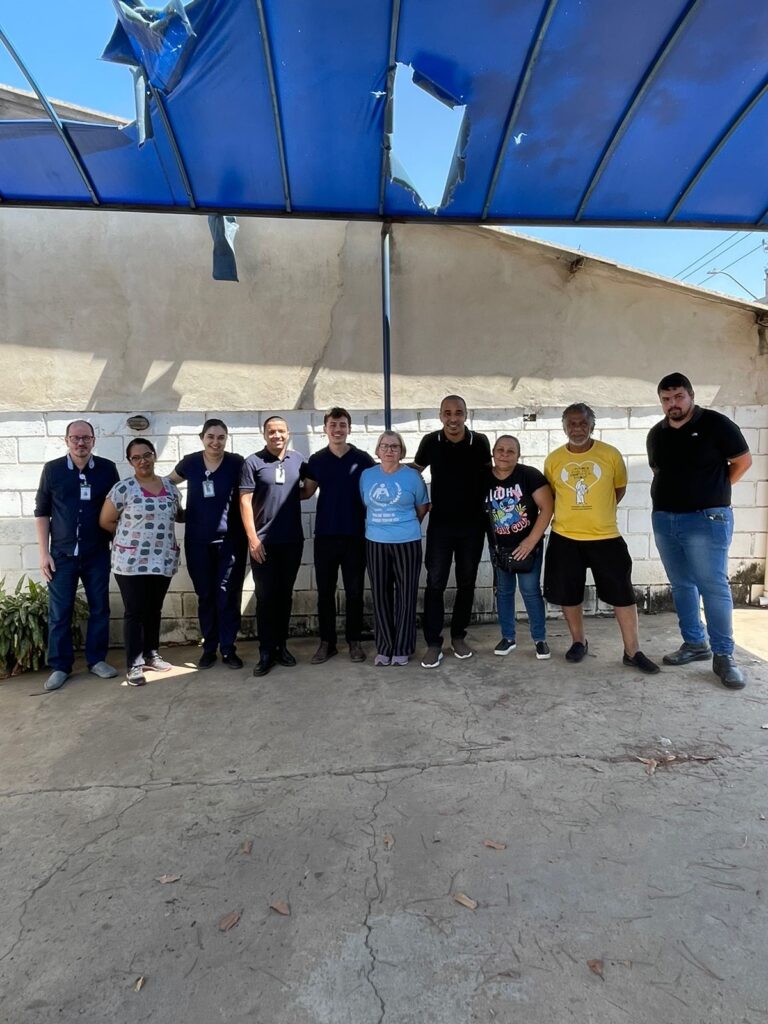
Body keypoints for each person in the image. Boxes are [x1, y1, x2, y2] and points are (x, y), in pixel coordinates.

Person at [647, 372, 753, 689]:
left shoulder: (717, 425)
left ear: (691, 396)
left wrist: (714, 492)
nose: (673, 404)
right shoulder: (656, 434)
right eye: (666, 399)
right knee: (681, 584)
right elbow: (659, 471)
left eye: (678, 396)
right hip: (665, 519)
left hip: (706, 519)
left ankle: (724, 656)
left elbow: (743, 462)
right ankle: (695, 643)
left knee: (713, 586)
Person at [543, 403, 659, 674]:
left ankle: (632, 651)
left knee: (623, 594)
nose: (577, 428)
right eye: (572, 424)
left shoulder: (610, 455)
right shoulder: (553, 460)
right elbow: (552, 494)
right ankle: (578, 641)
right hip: (564, 537)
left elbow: (618, 490)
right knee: (569, 594)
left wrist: (597, 513)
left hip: (606, 537)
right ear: (564, 427)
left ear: (592, 426)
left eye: (583, 423)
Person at [34, 420, 120, 691]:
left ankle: (97, 660)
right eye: (75, 438)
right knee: (60, 612)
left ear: (93, 440)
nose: (80, 442)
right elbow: (42, 512)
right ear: (67, 440)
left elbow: (117, 508)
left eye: (85, 438)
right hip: (62, 555)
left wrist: (118, 545)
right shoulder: (53, 470)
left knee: (100, 609)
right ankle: (60, 666)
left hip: (96, 553)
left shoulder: (107, 469)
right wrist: (43, 553)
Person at [414, 395, 491, 669]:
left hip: (472, 527)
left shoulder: (479, 442)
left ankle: (458, 636)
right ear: (440, 416)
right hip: (440, 527)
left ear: (466, 415)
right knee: (435, 583)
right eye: (447, 413)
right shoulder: (430, 441)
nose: (453, 418)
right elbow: (415, 471)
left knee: (466, 583)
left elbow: (491, 477)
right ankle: (434, 643)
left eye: (458, 412)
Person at [99, 438, 183, 686]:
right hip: (131, 562)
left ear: (154, 455)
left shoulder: (170, 488)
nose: (142, 461)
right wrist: (131, 539)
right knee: (135, 611)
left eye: (146, 455)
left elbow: (178, 514)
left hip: (162, 558)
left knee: (154, 609)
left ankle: (151, 654)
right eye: (136, 458)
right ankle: (134, 664)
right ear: (130, 462)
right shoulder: (123, 488)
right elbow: (106, 521)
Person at [169, 419, 247, 670]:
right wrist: (176, 510)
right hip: (198, 541)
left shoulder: (236, 463)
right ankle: (209, 648)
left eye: (221, 437)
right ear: (202, 437)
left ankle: (228, 648)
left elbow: (251, 491)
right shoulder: (190, 463)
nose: (216, 442)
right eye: (211, 437)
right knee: (205, 595)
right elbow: (167, 484)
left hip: (230, 541)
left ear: (226, 439)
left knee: (227, 595)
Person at [302, 407, 375, 664]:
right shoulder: (317, 460)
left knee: (354, 592)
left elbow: (376, 490)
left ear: (349, 429)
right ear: (325, 429)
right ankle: (327, 643)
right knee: (325, 593)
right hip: (325, 536)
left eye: (342, 425)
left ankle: (354, 641)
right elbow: (307, 492)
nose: (337, 429)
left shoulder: (363, 459)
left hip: (355, 536)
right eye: (333, 425)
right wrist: (272, 494)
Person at [240, 416, 308, 678]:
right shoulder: (253, 462)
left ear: (288, 433)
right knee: (266, 597)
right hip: (263, 543)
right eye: (271, 432)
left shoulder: (297, 460)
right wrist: (253, 538)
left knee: (284, 596)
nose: (276, 435)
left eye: (281, 431)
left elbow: (308, 489)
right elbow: (245, 501)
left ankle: (281, 647)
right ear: (264, 434)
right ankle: (266, 651)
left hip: (291, 540)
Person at [360, 431, 430, 666]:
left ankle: (402, 647)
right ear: (377, 450)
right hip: (375, 542)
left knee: (406, 595)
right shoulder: (367, 475)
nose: (389, 450)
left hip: (406, 542)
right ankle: (384, 647)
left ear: (401, 451)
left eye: (394, 446)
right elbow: (365, 504)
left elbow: (422, 507)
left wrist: (404, 526)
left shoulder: (412, 477)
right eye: (384, 446)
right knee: (380, 595)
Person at [484, 435, 553, 659]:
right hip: (499, 547)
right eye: (500, 450)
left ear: (518, 455)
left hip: (527, 546)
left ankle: (540, 639)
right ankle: (508, 637)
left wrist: (531, 541)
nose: (504, 454)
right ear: (493, 453)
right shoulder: (483, 477)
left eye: (510, 451)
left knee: (530, 591)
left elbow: (547, 507)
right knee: (504, 591)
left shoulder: (529, 475)